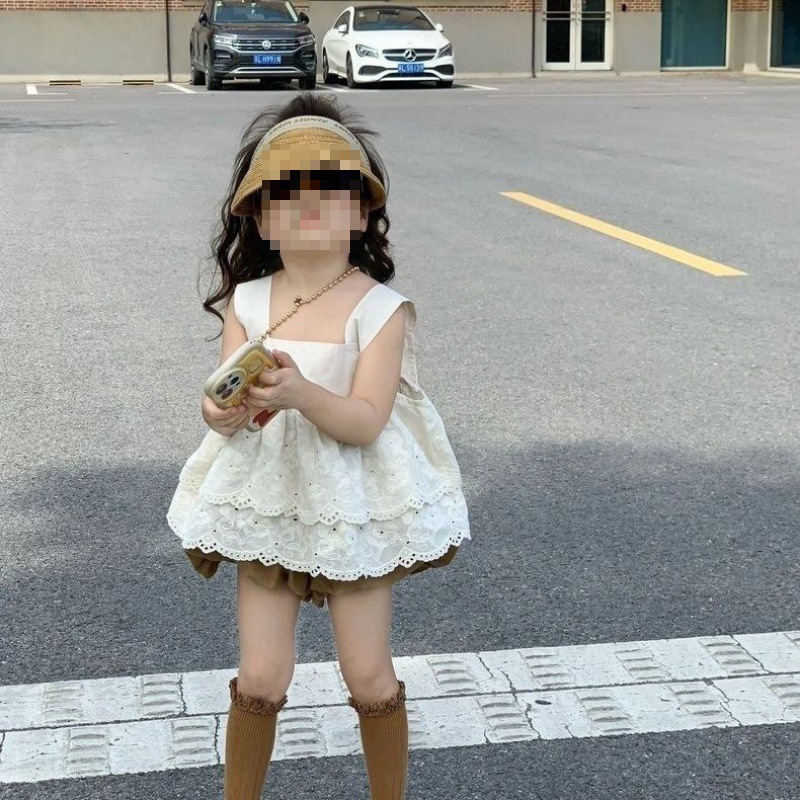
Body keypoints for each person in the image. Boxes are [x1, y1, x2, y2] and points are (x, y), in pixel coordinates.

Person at [166, 92, 471, 800]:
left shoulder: (380, 309)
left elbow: (365, 421)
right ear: (259, 216)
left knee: (368, 675)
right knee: (261, 677)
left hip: (351, 508)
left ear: (362, 212)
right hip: (267, 504)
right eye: (287, 193)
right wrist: (219, 412)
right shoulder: (246, 302)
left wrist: (301, 393)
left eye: (331, 190)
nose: (310, 207)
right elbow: (223, 398)